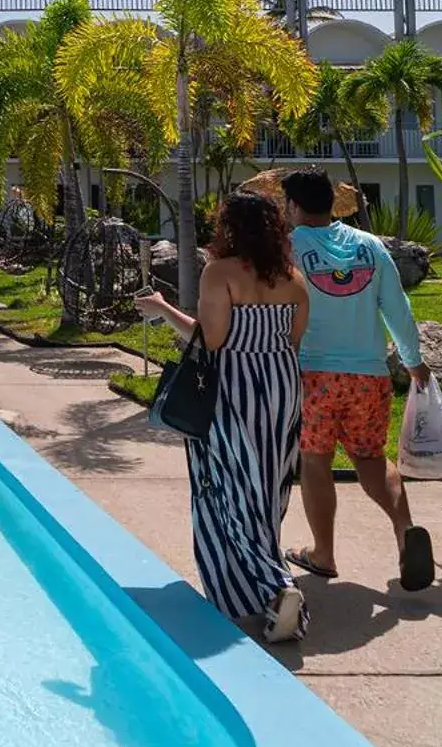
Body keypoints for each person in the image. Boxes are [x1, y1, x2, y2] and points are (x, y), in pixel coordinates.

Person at [134, 192, 312, 643]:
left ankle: (277, 586)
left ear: (229, 227)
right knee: (267, 486)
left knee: (226, 488)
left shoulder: (221, 273)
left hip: (233, 387)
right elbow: (292, 340)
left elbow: (211, 340)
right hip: (281, 386)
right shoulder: (293, 278)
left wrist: (161, 309)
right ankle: (261, 591)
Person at [277, 168, 436, 592]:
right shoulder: (369, 245)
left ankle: (323, 554)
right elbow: (396, 307)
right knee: (369, 457)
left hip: (313, 374)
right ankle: (405, 531)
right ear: (332, 203)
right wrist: (413, 360)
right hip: (368, 374)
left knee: (315, 460)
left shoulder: (288, 247)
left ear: (293, 205)